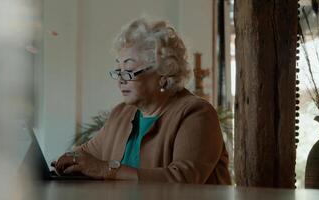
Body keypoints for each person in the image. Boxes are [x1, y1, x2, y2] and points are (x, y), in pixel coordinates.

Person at [53, 18, 231, 184]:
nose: (120, 80)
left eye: (129, 70)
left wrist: (106, 170)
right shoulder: (121, 114)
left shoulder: (196, 114)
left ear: (163, 73)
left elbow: (181, 180)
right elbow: (84, 155)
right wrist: (63, 162)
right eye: (118, 70)